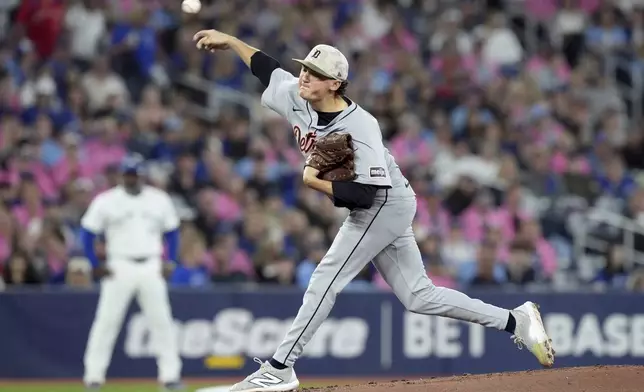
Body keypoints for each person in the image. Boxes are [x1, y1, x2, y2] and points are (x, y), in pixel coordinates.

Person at [192, 29, 555, 392]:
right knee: (419, 295)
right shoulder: (296, 95)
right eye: (304, 68)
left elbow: (365, 196)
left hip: (383, 202)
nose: (304, 76)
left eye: (314, 73)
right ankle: (515, 320)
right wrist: (231, 41)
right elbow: (265, 67)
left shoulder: (360, 126)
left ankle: (280, 368)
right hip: (384, 202)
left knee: (325, 278)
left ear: (335, 84)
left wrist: (314, 181)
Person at [79, 154, 183, 391]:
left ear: (142, 175)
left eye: (134, 174)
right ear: (121, 175)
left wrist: (171, 261)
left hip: (151, 265)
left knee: (162, 323)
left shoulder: (158, 199)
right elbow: (87, 232)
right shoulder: (107, 200)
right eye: (127, 174)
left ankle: (170, 376)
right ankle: (93, 377)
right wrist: (95, 262)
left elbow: (172, 232)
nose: (131, 178)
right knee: (106, 323)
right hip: (119, 266)